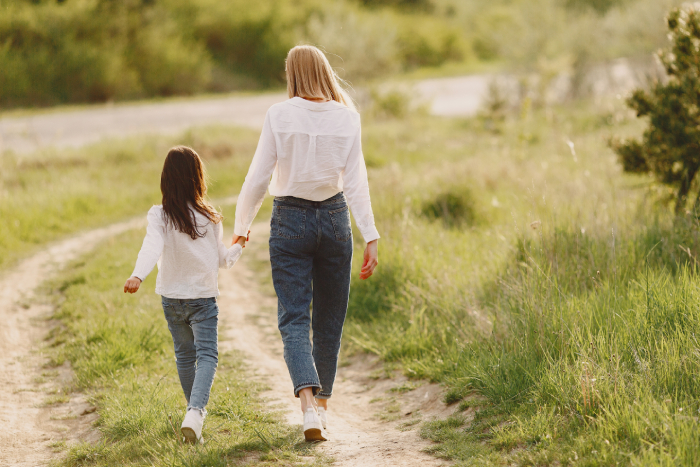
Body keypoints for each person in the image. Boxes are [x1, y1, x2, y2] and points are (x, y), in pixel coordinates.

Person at [232, 45, 379, 442]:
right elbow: (357, 182)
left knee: (294, 318)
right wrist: (371, 235)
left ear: (292, 74)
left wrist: (242, 225)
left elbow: (258, 176)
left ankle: (309, 408)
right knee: (329, 320)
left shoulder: (279, 114)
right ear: (325, 70)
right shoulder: (348, 117)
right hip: (335, 220)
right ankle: (323, 409)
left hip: (291, 220)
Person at [123, 146, 247, 444]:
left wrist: (138, 274)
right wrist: (239, 245)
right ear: (198, 178)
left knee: (184, 354)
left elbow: (151, 247)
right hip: (203, 298)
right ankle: (195, 413)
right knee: (207, 355)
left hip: (172, 297)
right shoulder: (210, 216)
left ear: (166, 180)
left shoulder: (159, 215)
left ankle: (193, 417)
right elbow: (222, 260)